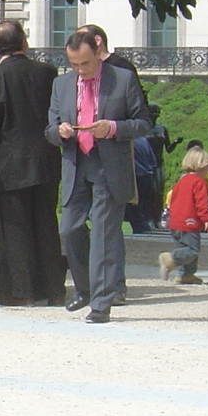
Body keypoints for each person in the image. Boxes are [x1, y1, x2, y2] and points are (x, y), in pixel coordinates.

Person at [46, 29, 152, 323]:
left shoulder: (123, 79)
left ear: (98, 51)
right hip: (76, 162)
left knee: (104, 235)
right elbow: (50, 129)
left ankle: (102, 304)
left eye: (86, 64)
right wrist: (61, 132)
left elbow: (143, 123)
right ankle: (86, 289)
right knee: (69, 229)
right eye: (75, 65)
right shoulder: (62, 84)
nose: (81, 70)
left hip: (109, 164)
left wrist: (114, 128)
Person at [0, 19, 65, 306]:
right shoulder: (48, 73)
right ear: (24, 42)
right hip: (47, 159)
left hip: (9, 164)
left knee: (15, 229)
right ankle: (54, 289)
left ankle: (23, 291)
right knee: (47, 224)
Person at [161, 146, 208, 285]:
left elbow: (172, 200)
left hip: (176, 222)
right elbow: (201, 203)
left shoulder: (181, 181)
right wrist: (207, 219)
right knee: (192, 250)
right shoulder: (199, 182)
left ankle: (186, 275)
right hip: (189, 222)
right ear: (202, 167)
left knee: (184, 248)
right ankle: (171, 259)